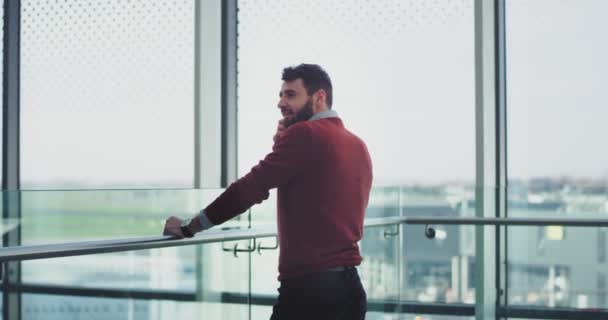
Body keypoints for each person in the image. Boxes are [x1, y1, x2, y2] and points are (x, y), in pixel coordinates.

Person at [163, 63, 373, 320]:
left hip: (310, 293)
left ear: (319, 97)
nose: (281, 102)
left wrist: (189, 226)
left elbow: (251, 187)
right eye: (281, 95)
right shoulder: (357, 145)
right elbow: (319, 194)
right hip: (349, 289)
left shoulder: (306, 134)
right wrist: (283, 142)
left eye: (291, 95)